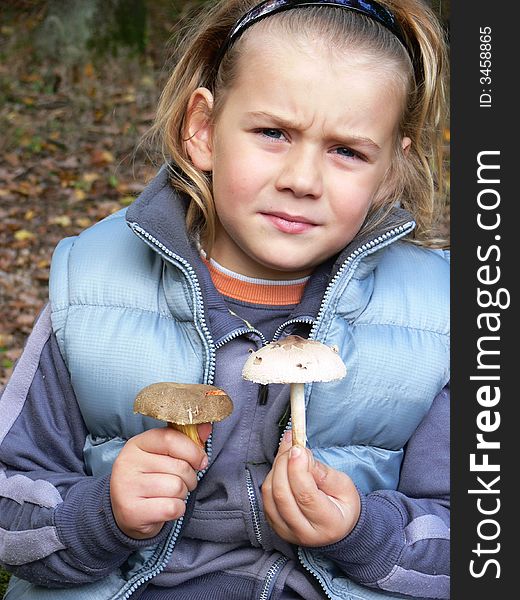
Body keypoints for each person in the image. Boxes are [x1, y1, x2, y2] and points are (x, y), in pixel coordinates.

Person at [0, 0, 450, 599]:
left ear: (392, 168)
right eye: (273, 133)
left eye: (348, 151)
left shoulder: (439, 320)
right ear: (204, 131)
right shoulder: (94, 292)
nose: (302, 179)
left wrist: (365, 532)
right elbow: (11, 507)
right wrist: (100, 512)